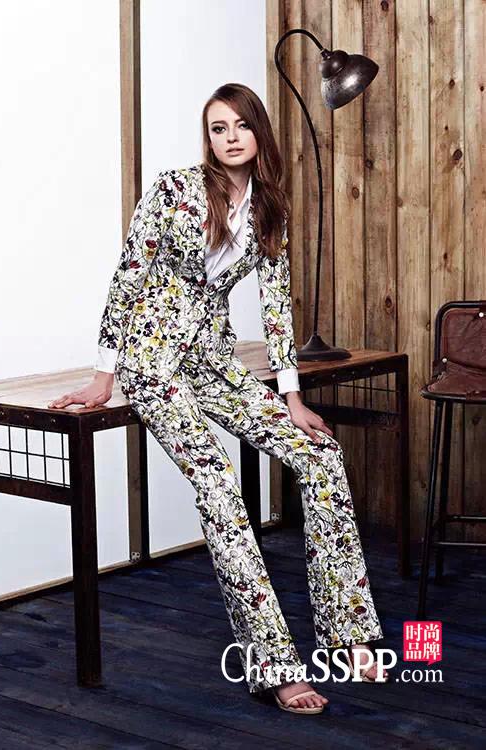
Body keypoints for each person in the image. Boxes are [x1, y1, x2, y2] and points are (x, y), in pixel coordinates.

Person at [48, 82, 389, 714]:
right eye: (217, 128)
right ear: (207, 138)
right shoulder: (174, 190)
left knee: (321, 457)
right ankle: (274, 666)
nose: (230, 137)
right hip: (154, 364)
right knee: (220, 488)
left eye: (240, 125)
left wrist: (291, 396)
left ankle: (349, 635)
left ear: (259, 132)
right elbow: (129, 275)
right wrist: (105, 374)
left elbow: (277, 307)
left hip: (214, 363)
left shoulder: (270, 209)